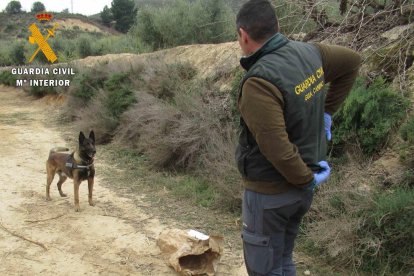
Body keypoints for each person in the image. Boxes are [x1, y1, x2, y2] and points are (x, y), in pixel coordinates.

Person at [235, 1, 362, 275]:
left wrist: (305, 180)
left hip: (270, 194)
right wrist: (327, 113)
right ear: (277, 26)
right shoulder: (310, 53)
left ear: (243, 35)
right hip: (299, 193)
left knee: (266, 269)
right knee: (283, 262)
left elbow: (277, 148)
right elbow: (352, 61)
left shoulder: (259, 82)